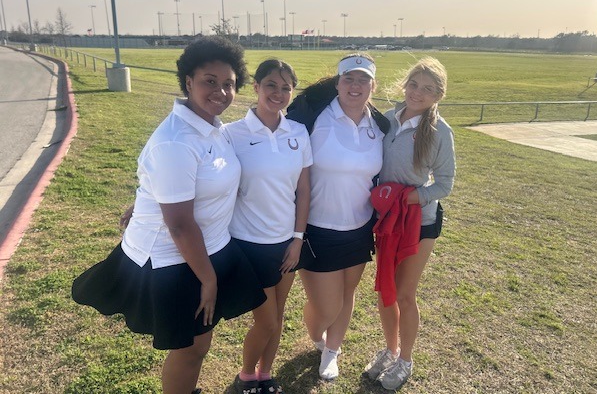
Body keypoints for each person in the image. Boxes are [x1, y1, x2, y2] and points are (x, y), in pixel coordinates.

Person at [72, 36, 267, 394]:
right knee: (190, 349)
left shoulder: (212, 127)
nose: (221, 92)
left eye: (229, 84)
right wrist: (209, 280)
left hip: (207, 247)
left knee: (198, 344)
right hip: (174, 259)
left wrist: (147, 197)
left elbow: (182, 186)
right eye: (210, 81)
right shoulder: (177, 140)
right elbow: (178, 224)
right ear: (188, 81)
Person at [286, 52, 390, 381]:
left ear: (373, 86)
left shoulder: (380, 126)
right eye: (349, 78)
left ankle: (332, 350)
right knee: (326, 306)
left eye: (363, 80)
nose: (355, 85)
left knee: (347, 295)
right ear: (338, 82)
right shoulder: (314, 117)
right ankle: (317, 336)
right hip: (316, 229)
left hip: (359, 229)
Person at [364, 57, 456, 390]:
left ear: (438, 96)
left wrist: (409, 198)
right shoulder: (386, 120)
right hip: (387, 221)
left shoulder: (440, 131)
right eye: (414, 84)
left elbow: (444, 184)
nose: (417, 93)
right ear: (405, 84)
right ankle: (390, 350)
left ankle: (405, 359)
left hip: (419, 222)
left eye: (427, 89)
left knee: (404, 293)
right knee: (385, 291)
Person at [225, 59, 312, 394]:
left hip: (286, 243)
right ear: (256, 87)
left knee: (279, 314)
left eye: (286, 87)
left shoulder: (298, 132)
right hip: (248, 244)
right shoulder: (231, 134)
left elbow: (303, 190)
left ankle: (265, 374)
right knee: (267, 320)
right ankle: (246, 377)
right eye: (271, 85)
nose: (278, 93)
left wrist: (297, 239)